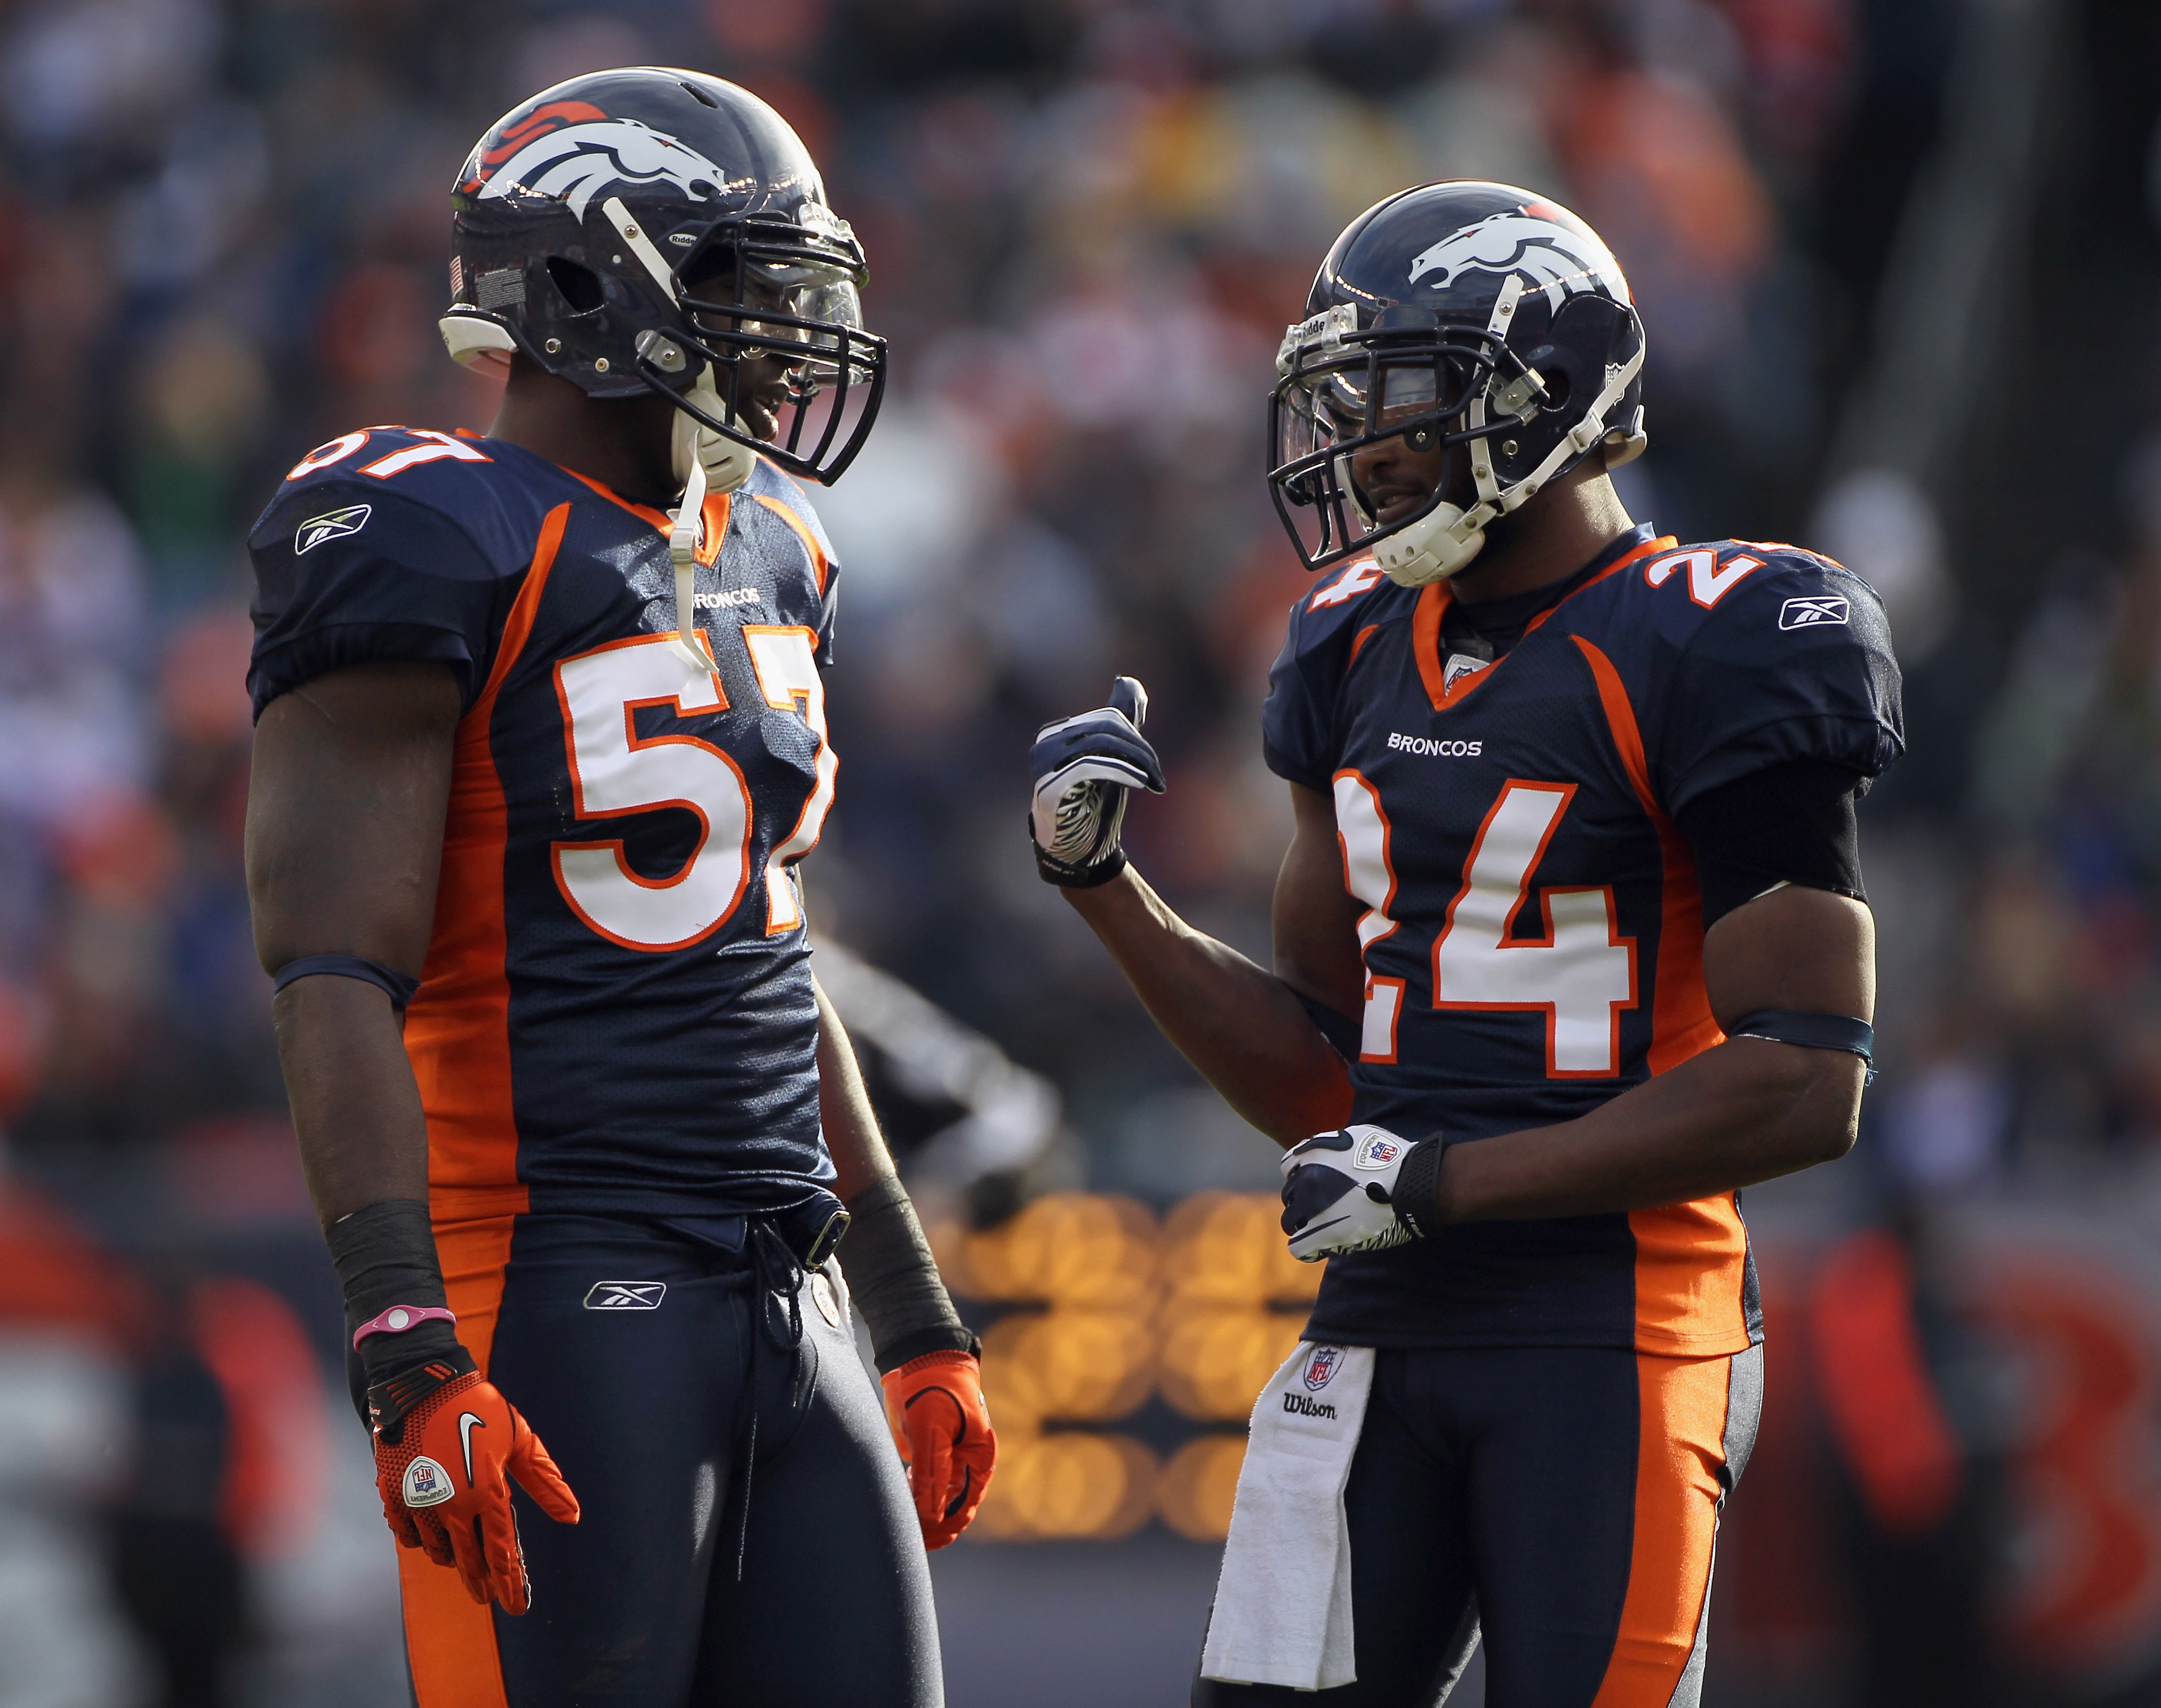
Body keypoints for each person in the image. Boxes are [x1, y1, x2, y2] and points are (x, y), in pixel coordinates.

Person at [1027, 181, 1903, 1706]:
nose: (1363, 442)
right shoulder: (1349, 643)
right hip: (1380, 1319)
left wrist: (1443, 1179)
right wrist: (1107, 888)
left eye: (1406, 398)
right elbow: (1325, 1069)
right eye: (1350, 399)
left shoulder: (1723, 631)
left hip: (1615, 1322)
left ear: (1543, 400)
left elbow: (1802, 1081)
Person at [243, 68, 994, 1708]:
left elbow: (770, 957)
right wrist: (401, 1334)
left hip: (786, 1293)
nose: (791, 335)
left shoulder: (775, 546)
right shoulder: (432, 528)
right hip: (556, 1287)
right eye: (744, 284)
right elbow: (329, 969)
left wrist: (910, 1300)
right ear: (592, 285)